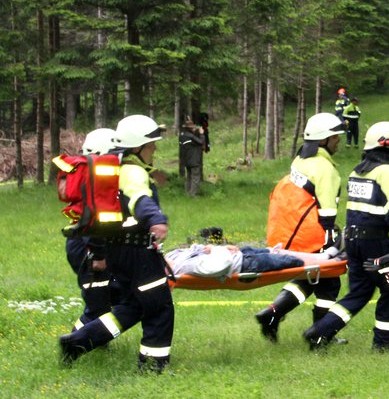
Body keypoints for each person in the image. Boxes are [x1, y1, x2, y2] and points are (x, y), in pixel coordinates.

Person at [60, 115, 174, 373]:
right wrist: (156, 220)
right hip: (137, 253)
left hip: (117, 253)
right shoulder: (132, 171)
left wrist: (100, 253)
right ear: (137, 146)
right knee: (159, 307)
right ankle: (153, 366)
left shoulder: (109, 172)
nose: (154, 148)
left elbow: (101, 217)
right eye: (151, 144)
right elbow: (139, 199)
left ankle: (78, 341)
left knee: (132, 305)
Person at [303, 122, 389, 352]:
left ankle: (320, 331)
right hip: (375, 242)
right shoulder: (387, 171)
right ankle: (384, 345)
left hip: (353, 240)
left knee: (359, 293)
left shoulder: (358, 170)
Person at [255, 113, 345, 343]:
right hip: (308, 235)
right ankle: (320, 334)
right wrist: (330, 244)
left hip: (284, 232)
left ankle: (272, 313)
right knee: (330, 279)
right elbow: (327, 214)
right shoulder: (326, 169)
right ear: (323, 140)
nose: (338, 141)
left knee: (310, 278)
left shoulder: (300, 160)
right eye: (335, 137)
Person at [66, 128, 118, 331]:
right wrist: (98, 253)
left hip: (84, 245)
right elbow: (94, 221)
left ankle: (91, 339)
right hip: (87, 248)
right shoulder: (94, 179)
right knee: (98, 303)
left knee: (103, 299)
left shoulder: (88, 174)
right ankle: (76, 341)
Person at [166, 244, 305, 280]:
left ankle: (323, 257)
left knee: (275, 251)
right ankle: (323, 262)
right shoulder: (185, 267)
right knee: (294, 261)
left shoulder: (171, 256)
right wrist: (216, 248)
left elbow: (195, 249)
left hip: (241, 254)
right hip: (244, 265)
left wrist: (207, 248)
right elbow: (223, 264)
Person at [179, 118, 205, 196]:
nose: (194, 128)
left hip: (186, 160)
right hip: (194, 160)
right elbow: (201, 142)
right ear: (190, 128)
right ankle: (193, 194)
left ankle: (188, 193)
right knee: (195, 178)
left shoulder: (182, 135)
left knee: (189, 177)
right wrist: (201, 133)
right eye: (193, 127)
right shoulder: (191, 136)